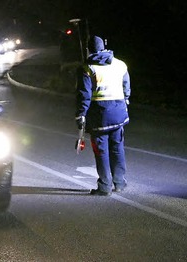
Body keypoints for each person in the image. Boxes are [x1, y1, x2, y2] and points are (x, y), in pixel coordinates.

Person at [75, 35, 131, 196]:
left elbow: (83, 95)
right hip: (119, 114)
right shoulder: (120, 64)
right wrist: (124, 102)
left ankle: (105, 186)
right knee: (117, 148)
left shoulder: (87, 68)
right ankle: (119, 182)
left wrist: (80, 115)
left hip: (99, 117)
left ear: (88, 50)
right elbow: (126, 88)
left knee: (101, 151)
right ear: (105, 46)